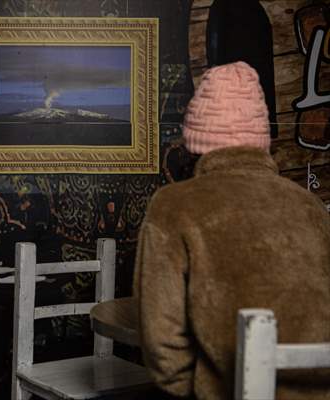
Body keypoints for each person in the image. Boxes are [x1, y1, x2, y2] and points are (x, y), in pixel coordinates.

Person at [133, 61, 330, 400]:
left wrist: (196, 389)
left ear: (196, 138)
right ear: (260, 139)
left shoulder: (173, 205)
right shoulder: (311, 205)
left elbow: (162, 343)